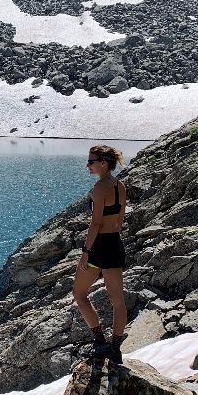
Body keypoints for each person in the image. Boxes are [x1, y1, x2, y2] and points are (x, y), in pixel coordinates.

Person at [72, 144, 127, 364]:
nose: (88, 165)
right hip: (114, 243)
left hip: (99, 248)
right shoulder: (119, 185)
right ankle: (115, 348)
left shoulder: (99, 188)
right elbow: (120, 218)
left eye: (91, 161)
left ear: (103, 163)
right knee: (118, 301)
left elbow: (95, 224)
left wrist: (86, 252)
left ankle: (99, 341)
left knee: (79, 293)